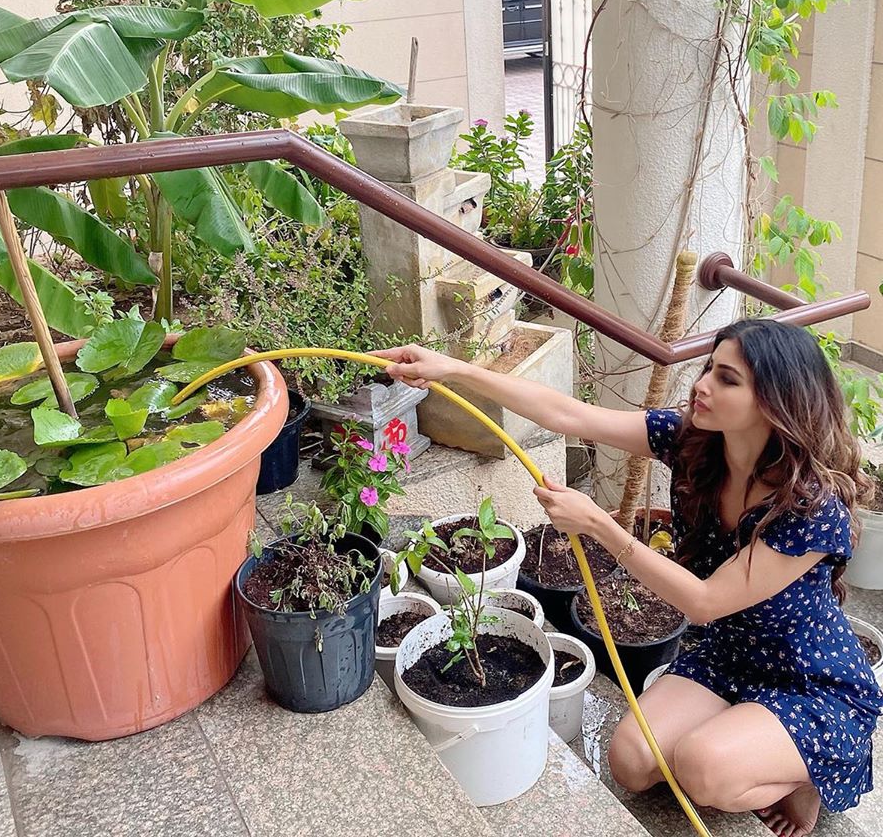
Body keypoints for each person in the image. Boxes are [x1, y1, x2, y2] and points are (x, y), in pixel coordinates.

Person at [373, 319, 882, 837]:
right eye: (710, 368)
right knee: (631, 762)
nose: (701, 385)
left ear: (776, 404)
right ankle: (748, 735)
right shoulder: (694, 441)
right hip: (730, 654)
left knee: (704, 770)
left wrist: (596, 523)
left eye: (727, 380)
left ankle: (809, 776)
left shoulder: (810, 507)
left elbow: (704, 602)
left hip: (808, 678)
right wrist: (452, 370)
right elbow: (570, 414)